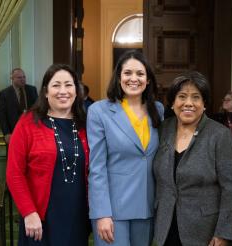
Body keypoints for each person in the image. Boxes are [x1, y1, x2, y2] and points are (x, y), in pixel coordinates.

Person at [153, 71, 232, 246]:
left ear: (204, 104)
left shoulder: (219, 135)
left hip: (205, 231)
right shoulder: (163, 130)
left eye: (196, 97)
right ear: (172, 103)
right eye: (182, 97)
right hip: (166, 226)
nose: (188, 103)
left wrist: (224, 233)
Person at [6, 64, 90, 245]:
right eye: (56, 85)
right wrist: (28, 212)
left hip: (77, 216)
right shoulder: (28, 122)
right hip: (40, 219)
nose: (63, 91)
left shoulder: (86, 124)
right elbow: (14, 173)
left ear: (77, 90)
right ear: (45, 91)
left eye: (68, 85)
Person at [87, 50, 164, 246]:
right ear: (118, 77)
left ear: (148, 80)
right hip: (113, 210)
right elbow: (97, 168)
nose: (134, 78)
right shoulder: (99, 111)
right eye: (127, 73)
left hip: (147, 208)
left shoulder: (158, 109)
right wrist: (101, 213)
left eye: (140, 74)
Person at [0, 68, 38, 144]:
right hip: (13, 131)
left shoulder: (32, 90)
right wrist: (6, 133)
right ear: (12, 78)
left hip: (30, 130)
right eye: (19, 77)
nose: (22, 79)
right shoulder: (4, 93)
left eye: (24, 77)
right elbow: (1, 115)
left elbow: (37, 109)